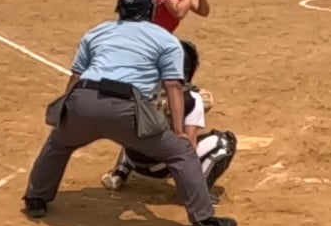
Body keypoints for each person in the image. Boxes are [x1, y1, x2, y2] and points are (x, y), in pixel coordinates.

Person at [21, 0, 236, 226]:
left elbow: (76, 76)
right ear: (150, 12)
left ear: (120, 9)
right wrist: (179, 131)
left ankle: (36, 198)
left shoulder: (97, 31)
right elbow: (173, 86)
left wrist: (66, 112)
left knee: (58, 144)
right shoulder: (165, 39)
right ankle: (203, 221)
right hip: (126, 108)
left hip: (83, 99)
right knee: (181, 153)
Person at [100, 39, 238, 196]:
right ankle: (196, 193)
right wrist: (194, 110)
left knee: (138, 121)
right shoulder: (192, 99)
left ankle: (119, 172)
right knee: (224, 141)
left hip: (133, 157)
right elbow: (189, 149)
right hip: (160, 166)